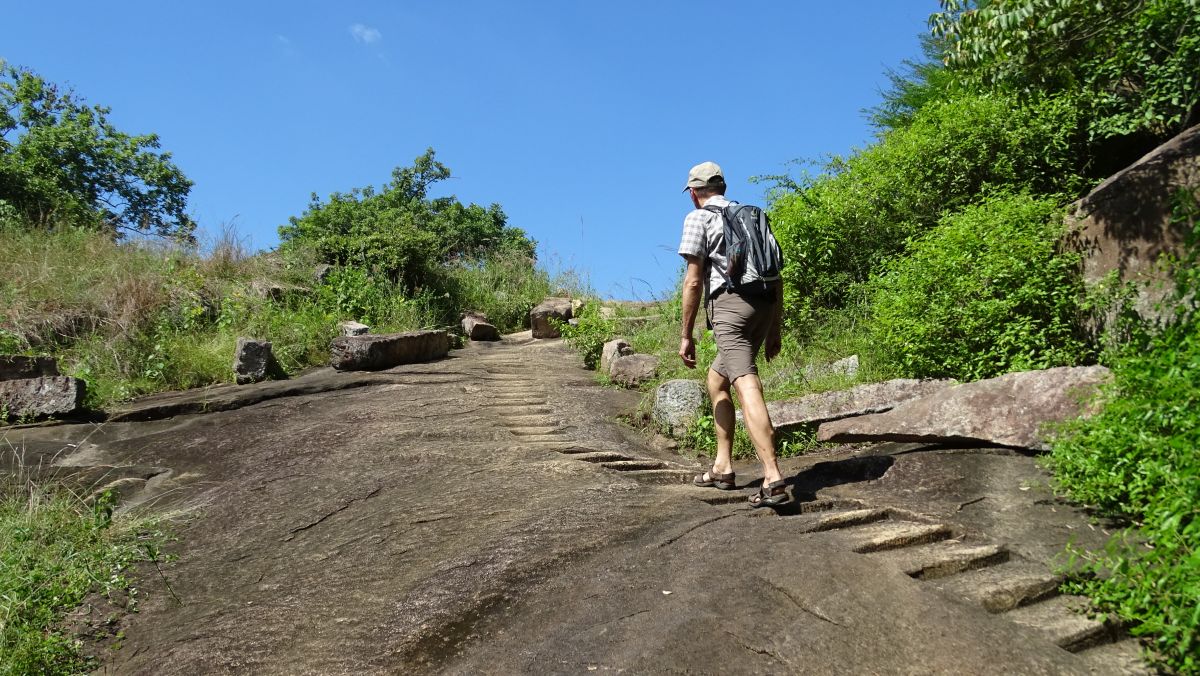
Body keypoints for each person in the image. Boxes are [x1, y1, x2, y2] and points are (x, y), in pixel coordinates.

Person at [676, 161, 788, 508]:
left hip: (730, 309)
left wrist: (686, 334)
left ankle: (773, 478)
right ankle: (723, 466)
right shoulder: (753, 215)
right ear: (723, 187)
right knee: (717, 379)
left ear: (694, 193)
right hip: (763, 305)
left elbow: (694, 280)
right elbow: (776, 273)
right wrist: (774, 327)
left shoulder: (698, 218)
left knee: (744, 382)